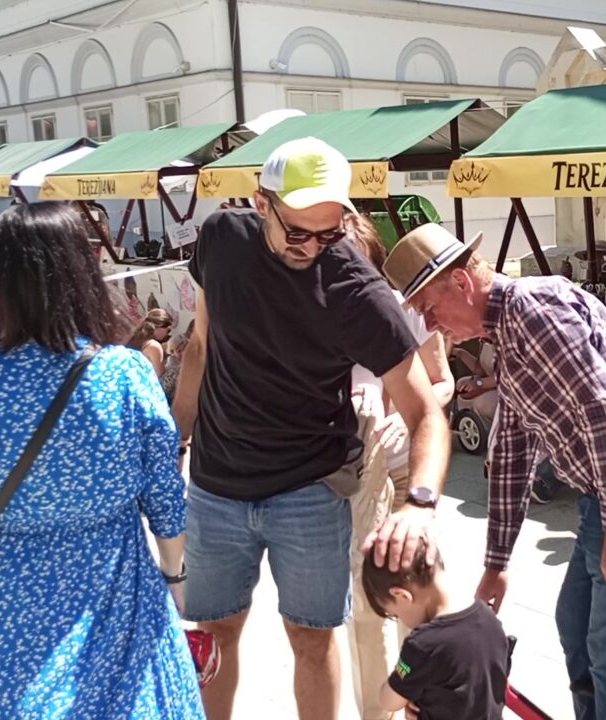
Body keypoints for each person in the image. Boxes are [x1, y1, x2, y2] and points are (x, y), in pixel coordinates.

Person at [172, 137, 450, 720]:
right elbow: (200, 345)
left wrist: (420, 503)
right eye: (299, 232)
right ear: (261, 204)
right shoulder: (222, 240)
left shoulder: (355, 289)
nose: (314, 247)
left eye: (330, 233)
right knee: (216, 632)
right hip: (218, 486)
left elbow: (425, 410)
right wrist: (177, 438)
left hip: (309, 491)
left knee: (311, 638)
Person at [385, 224, 606, 720]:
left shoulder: (534, 313)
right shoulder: (508, 331)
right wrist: (496, 564)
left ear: (461, 283)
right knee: (575, 623)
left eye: (429, 309)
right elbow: (512, 451)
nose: (430, 326)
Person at [0, 202, 204, 719]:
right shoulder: (123, 373)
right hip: (115, 587)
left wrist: (24, 508)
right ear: (83, 273)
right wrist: (175, 580)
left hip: (7, 600)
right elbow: (165, 501)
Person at [345, 212, 454, 720]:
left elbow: (443, 381)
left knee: (419, 592)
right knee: (366, 602)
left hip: (409, 464)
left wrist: (404, 415)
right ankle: (376, 712)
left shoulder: (401, 307)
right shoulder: (318, 311)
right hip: (356, 470)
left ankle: (419, 703)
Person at [361, 538, 509, 720]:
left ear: (401, 595)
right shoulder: (489, 619)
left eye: (396, 614)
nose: (402, 621)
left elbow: (389, 701)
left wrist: (402, 688)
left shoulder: (423, 644)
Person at [127, 308, 173, 377]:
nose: (167, 333)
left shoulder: (135, 339)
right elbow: (160, 376)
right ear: (160, 326)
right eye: (168, 330)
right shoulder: (154, 346)